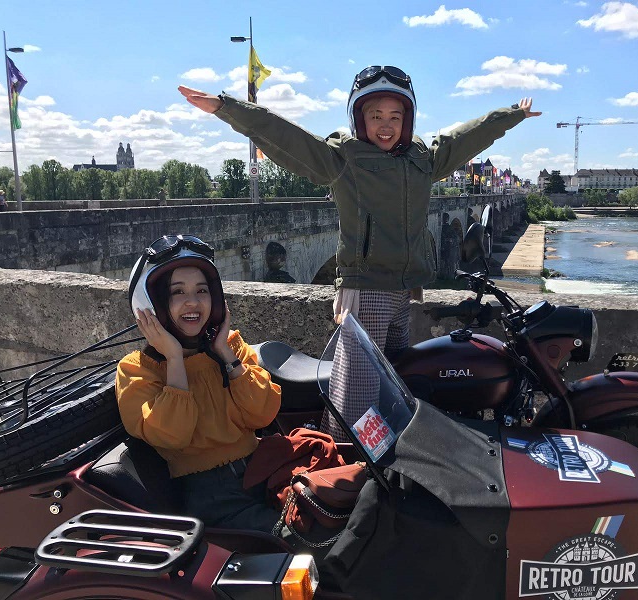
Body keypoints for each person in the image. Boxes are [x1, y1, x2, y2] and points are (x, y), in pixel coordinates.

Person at [178, 66, 541, 440]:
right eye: (375, 115)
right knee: (357, 396)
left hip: (404, 292)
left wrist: (511, 115)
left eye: (395, 116)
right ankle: (343, 461)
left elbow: (465, 138)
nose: (386, 125)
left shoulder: (421, 159)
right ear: (359, 118)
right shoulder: (345, 159)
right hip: (366, 291)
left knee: (396, 388)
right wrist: (227, 107)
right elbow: (288, 138)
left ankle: (385, 460)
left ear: (408, 119)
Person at [116, 234, 283, 530]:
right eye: (177, 292)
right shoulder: (137, 370)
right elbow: (173, 435)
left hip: (262, 468)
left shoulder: (230, 349)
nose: (192, 302)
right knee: (301, 538)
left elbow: (263, 413)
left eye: (202, 291)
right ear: (152, 306)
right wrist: (175, 359)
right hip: (211, 496)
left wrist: (225, 354)